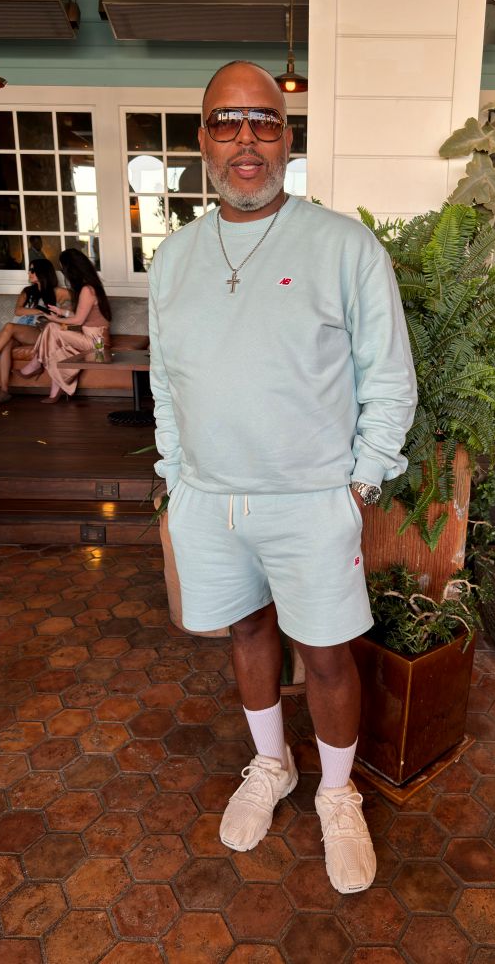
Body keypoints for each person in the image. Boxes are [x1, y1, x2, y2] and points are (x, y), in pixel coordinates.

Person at [149, 61, 417, 894]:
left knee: (328, 654)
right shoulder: (174, 257)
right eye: (226, 122)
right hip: (210, 498)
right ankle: (273, 764)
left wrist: (360, 486)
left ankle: (337, 793)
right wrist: (175, 478)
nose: (246, 140)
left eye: (263, 122)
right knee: (246, 633)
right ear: (202, 139)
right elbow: (166, 381)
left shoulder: (343, 245)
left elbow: (389, 377)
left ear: (287, 137)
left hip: (312, 499)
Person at [0, 258, 70, 404]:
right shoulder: (28, 291)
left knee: (9, 326)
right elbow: (18, 311)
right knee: (6, 344)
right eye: (29, 270)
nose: (29, 273)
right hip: (20, 330)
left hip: (39, 332)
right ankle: (4, 390)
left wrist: (61, 313)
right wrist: (41, 311)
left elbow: (74, 307)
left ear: (43, 272)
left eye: (32, 270)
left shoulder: (59, 292)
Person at [19, 248, 111, 403]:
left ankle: (36, 363)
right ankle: (53, 387)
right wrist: (61, 312)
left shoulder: (87, 290)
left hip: (97, 343)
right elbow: (82, 315)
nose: (63, 273)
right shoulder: (90, 286)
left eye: (63, 269)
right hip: (92, 338)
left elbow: (78, 321)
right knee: (55, 343)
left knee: (51, 327)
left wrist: (55, 319)